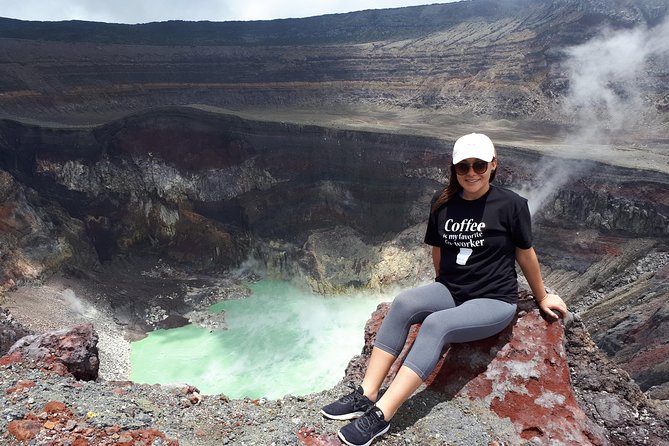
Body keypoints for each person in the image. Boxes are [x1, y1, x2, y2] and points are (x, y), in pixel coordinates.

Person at [320, 132, 568, 446]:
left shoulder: (511, 205)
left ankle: (382, 415)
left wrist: (542, 295)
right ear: (454, 169)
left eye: (479, 164)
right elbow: (437, 249)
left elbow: (525, 253)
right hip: (452, 289)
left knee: (437, 324)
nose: (471, 173)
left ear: (493, 165)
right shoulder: (443, 202)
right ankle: (367, 394)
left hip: (493, 300)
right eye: (463, 166)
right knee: (404, 303)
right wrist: (443, 287)